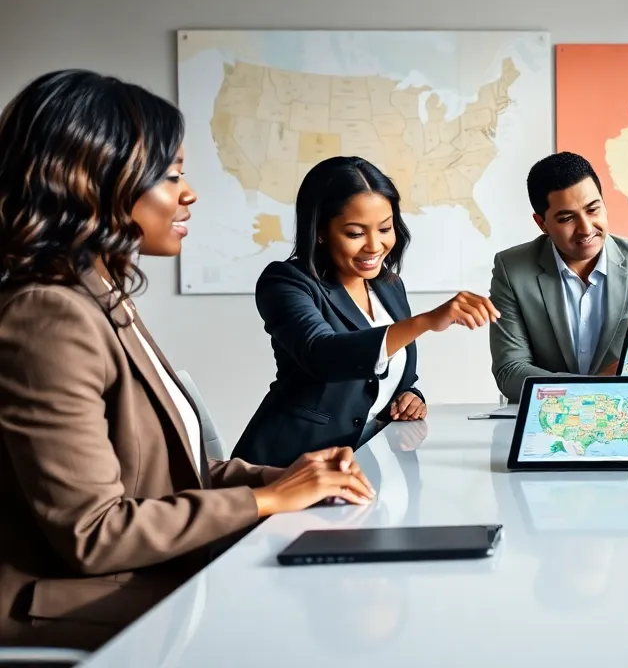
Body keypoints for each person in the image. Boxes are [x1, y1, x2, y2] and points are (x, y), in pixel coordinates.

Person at [0, 70, 375, 650]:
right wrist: (267, 499)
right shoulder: (48, 314)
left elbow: (174, 476)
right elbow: (94, 533)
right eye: (170, 175)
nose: (189, 192)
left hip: (158, 577)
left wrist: (288, 478)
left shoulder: (99, 297)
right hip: (85, 608)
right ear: (90, 179)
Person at [232, 156, 499, 467]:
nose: (375, 245)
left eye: (385, 228)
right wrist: (425, 321)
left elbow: (390, 375)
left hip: (367, 463)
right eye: (355, 233)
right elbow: (322, 354)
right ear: (320, 230)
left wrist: (410, 398)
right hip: (288, 463)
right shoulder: (286, 282)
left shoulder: (388, 285)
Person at [489, 151, 628, 417]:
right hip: (549, 420)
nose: (586, 228)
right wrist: (595, 387)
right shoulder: (513, 269)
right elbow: (510, 371)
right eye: (566, 218)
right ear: (542, 223)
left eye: (593, 209)